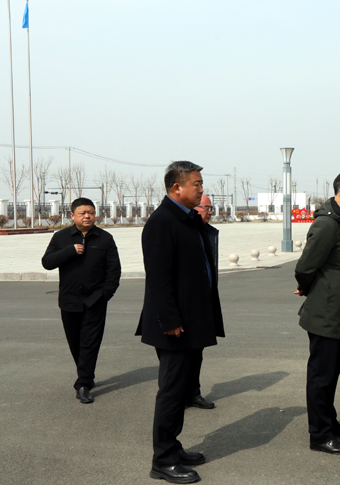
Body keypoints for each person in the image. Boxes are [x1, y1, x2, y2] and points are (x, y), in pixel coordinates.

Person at [136, 161, 224, 484]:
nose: (201, 189)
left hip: (192, 320)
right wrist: (170, 319)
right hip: (175, 325)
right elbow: (158, 279)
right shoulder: (162, 222)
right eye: (196, 184)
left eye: (201, 184)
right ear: (177, 188)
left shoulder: (187, 219)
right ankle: (163, 460)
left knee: (182, 388)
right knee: (172, 392)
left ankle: (173, 446)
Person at [294, 170, 340, 455]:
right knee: (321, 375)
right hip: (325, 310)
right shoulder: (327, 224)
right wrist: (307, 287)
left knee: (332, 371)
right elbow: (305, 266)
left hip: (336, 307)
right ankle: (320, 435)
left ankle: (329, 422)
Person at [41, 197, 121, 404]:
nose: (87, 216)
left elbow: (114, 271)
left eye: (91, 213)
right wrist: (69, 250)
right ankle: (86, 375)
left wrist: (105, 295)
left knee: (90, 343)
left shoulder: (105, 238)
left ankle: (83, 384)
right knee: (75, 342)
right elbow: (47, 262)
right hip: (69, 301)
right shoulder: (61, 237)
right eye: (83, 213)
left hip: (95, 301)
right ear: (72, 215)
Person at [185, 194, 217, 410]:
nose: (210, 212)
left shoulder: (207, 232)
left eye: (211, 208)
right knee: (179, 359)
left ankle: (193, 393)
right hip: (185, 304)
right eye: (206, 207)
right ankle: (177, 396)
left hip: (203, 301)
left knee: (197, 352)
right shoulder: (183, 230)